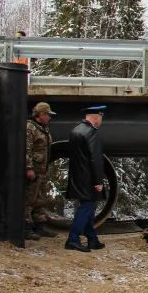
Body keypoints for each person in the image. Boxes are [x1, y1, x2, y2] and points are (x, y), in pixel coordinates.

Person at [65, 105, 107, 252]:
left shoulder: (76, 130)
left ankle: (92, 239)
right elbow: (95, 159)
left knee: (88, 207)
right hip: (89, 178)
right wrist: (98, 181)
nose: (101, 121)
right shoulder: (91, 133)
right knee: (86, 207)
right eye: (101, 118)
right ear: (96, 118)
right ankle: (73, 239)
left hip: (78, 176)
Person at [25, 102, 58, 240]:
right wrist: (29, 168)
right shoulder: (30, 128)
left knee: (40, 199)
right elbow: (26, 149)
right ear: (41, 114)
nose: (49, 118)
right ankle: (26, 228)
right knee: (29, 199)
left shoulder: (43, 129)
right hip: (34, 170)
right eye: (48, 115)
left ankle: (39, 226)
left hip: (41, 170)